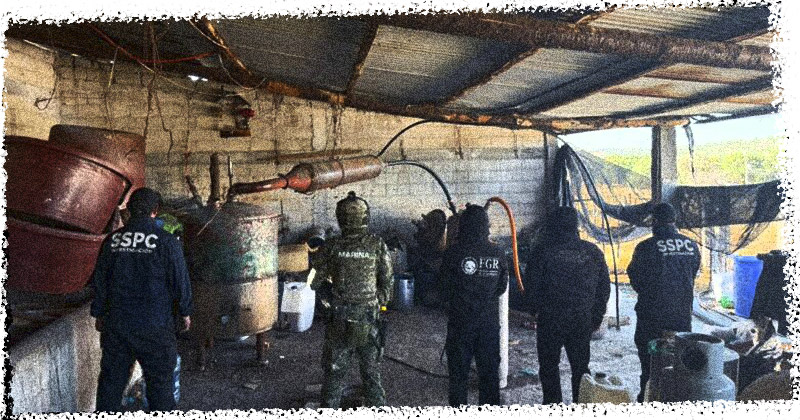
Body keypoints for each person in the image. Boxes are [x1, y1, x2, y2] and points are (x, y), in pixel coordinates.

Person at [91, 187, 193, 412]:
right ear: (155, 211)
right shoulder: (166, 242)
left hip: (117, 325)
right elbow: (180, 281)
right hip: (156, 326)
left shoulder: (112, 241)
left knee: (111, 385)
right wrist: (185, 312)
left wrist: (98, 313)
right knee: (160, 386)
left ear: (129, 210)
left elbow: (100, 281)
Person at [311, 191, 393, 408]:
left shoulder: (331, 246)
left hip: (340, 318)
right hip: (369, 318)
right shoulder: (377, 244)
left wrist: (328, 299)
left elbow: (312, 281)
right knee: (371, 374)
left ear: (340, 218)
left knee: (334, 375)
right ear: (366, 217)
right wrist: (377, 303)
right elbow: (387, 282)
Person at [525, 206, 610, 404]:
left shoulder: (542, 251)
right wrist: (596, 317)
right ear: (576, 226)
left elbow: (531, 286)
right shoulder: (593, 252)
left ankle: (553, 407)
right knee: (581, 368)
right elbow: (604, 289)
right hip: (581, 319)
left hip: (550, 319)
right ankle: (581, 407)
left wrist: (534, 310)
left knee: (549, 367)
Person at [627, 202, 700, 403]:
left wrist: (651, 293)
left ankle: (648, 400)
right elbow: (692, 273)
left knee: (650, 362)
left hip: (651, 317)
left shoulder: (646, 247)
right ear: (674, 221)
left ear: (654, 222)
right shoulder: (691, 245)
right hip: (681, 316)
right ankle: (673, 402)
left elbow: (635, 278)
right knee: (678, 361)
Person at [439, 204, 509, 406]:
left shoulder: (453, 253)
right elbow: (502, 287)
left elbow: (443, 288)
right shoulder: (498, 253)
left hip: (460, 323)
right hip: (488, 324)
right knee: (489, 377)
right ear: (486, 226)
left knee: (458, 376)